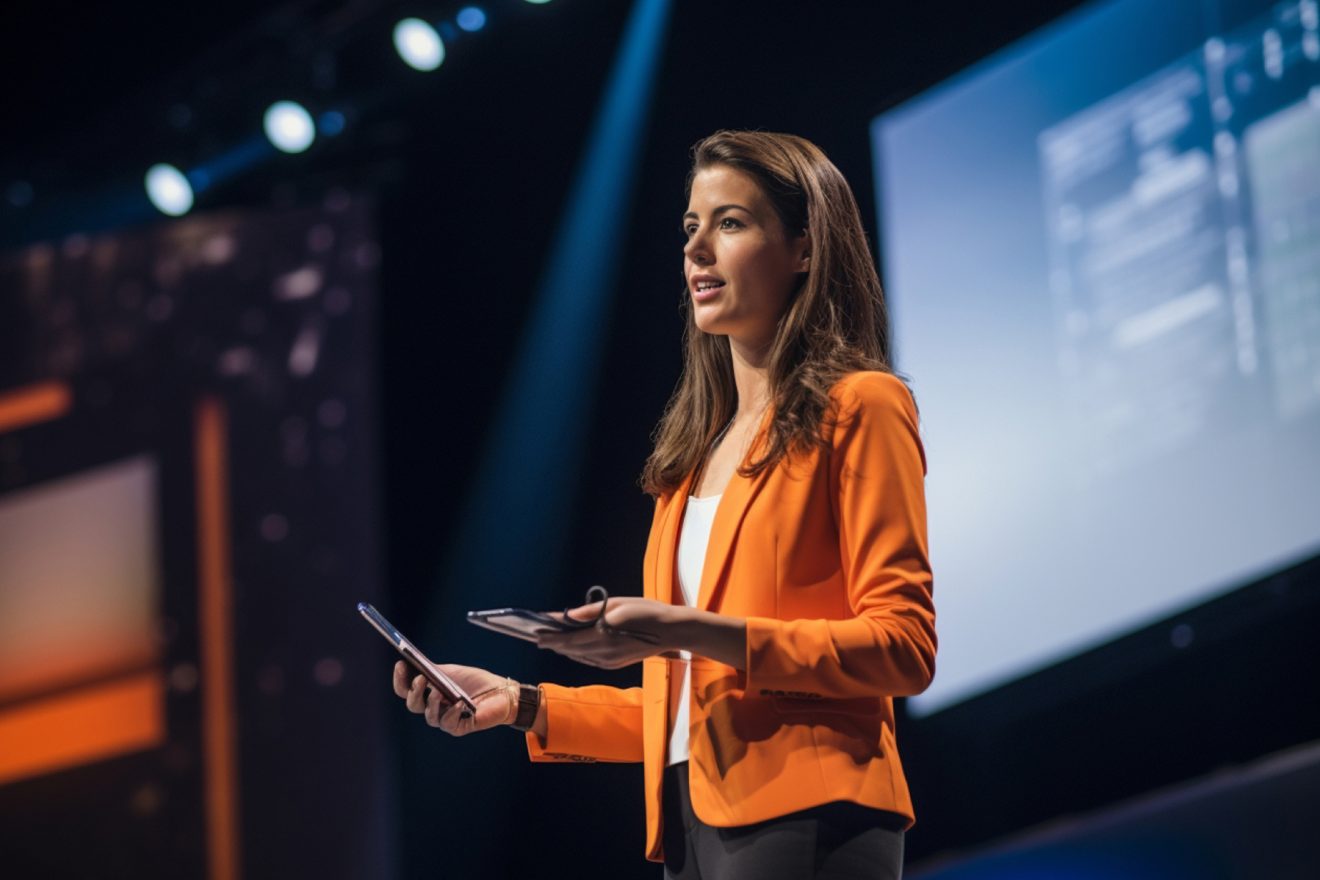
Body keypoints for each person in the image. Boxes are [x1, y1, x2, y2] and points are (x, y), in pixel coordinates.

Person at [392, 129, 936, 879]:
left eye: (731, 223)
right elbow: (687, 712)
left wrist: (682, 629)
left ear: (805, 249)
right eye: (690, 229)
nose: (698, 250)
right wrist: (518, 703)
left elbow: (903, 647)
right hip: (689, 834)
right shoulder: (687, 468)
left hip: (811, 814)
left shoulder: (863, 405)